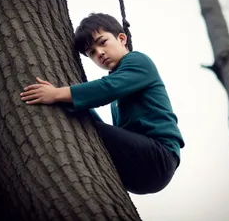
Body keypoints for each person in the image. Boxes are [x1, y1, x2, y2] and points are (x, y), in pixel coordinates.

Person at [20, 13, 185, 194]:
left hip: (158, 158)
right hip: (134, 175)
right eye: (91, 52)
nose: (99, 53)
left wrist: (56, 94)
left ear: (122, 38)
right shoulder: (116, 78)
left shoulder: (137, 61)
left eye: (102, 42)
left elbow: (106, 89)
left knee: (86, 123)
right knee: (84, 117)